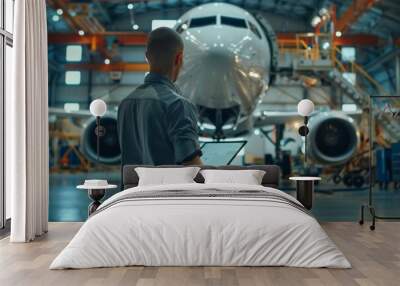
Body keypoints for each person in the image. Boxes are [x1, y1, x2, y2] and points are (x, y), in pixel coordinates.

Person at [118, 27, 202, 166]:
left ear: (147, 57)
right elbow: (193, 167)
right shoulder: (177, 105)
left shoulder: (126, 103)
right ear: (178, 58)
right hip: (166, 188)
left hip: (133, 188)